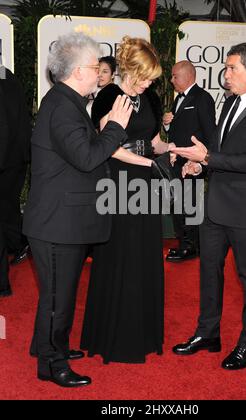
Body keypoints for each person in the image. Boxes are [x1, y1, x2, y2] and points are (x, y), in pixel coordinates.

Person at [22, 32, 133, 388]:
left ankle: (46, 349)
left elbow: (80, 152)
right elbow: (87, 158)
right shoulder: (62, 106)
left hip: (61, 220)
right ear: (76, 71)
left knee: (56, 294)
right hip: (58, 223)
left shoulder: (66, 102)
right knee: (59, 298)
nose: (101, 73)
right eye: (95, 67)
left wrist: (104, 130)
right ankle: (53, 365)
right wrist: (115, 126)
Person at [171, 43, 246, 370]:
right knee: (208, 272)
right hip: (215, 207)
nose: (226, 75)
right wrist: (202, 167)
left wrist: (206, 157)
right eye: (226, 68)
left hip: (244, 211)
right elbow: (222, 152)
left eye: (232, 68)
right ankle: (208, 333)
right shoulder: (230, 101)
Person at [81, 36, 173, 364]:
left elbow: (154, 141)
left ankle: (143, 333)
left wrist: (179, 150)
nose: (150, 82)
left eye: (152, 78)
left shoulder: (147, 97)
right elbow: (111, 147)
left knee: (145, 255)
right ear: (131, 70)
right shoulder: (108, 96)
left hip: (145, 185)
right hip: (117, 184)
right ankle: (116, 337)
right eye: (146, 76)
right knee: (121, 254)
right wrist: (150, 162)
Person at [163, 60, 216, 262]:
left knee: (190, 205)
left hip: (192, 164)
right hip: (177, 162)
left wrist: (203, 163)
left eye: (175, 76)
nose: (171, 79)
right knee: (180, 205)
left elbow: (210, 132)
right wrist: (167, 125)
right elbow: (179, 130)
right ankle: (185, 244)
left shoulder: (203, 98)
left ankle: (191, 246)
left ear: (188, 76)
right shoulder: (178, 99)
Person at [0, 65, 31, 276]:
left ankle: (20, 243)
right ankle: (19, 243)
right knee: (7, 206)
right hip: (17, 155)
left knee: (5, 207)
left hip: (7, 156)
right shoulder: (7, 74)